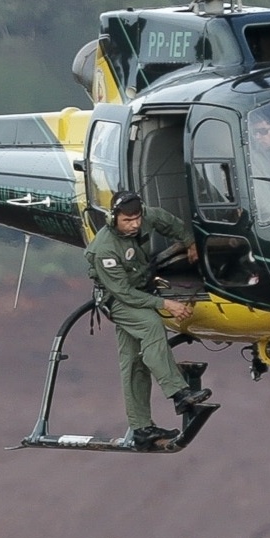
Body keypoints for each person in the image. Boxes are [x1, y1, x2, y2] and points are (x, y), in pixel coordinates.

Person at [84, 191, 209, 450]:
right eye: (128, 220)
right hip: (118, 299)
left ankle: (141, 428)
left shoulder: (147, 217)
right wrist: (167, 304)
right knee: (152, 325)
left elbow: (168, 221)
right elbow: (124, 294)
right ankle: (179, 393)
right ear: (114, 218)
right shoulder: (104, 249)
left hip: (140, 290)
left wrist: (189, 241)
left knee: (133, 362)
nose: (135, 225)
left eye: (137, 218)